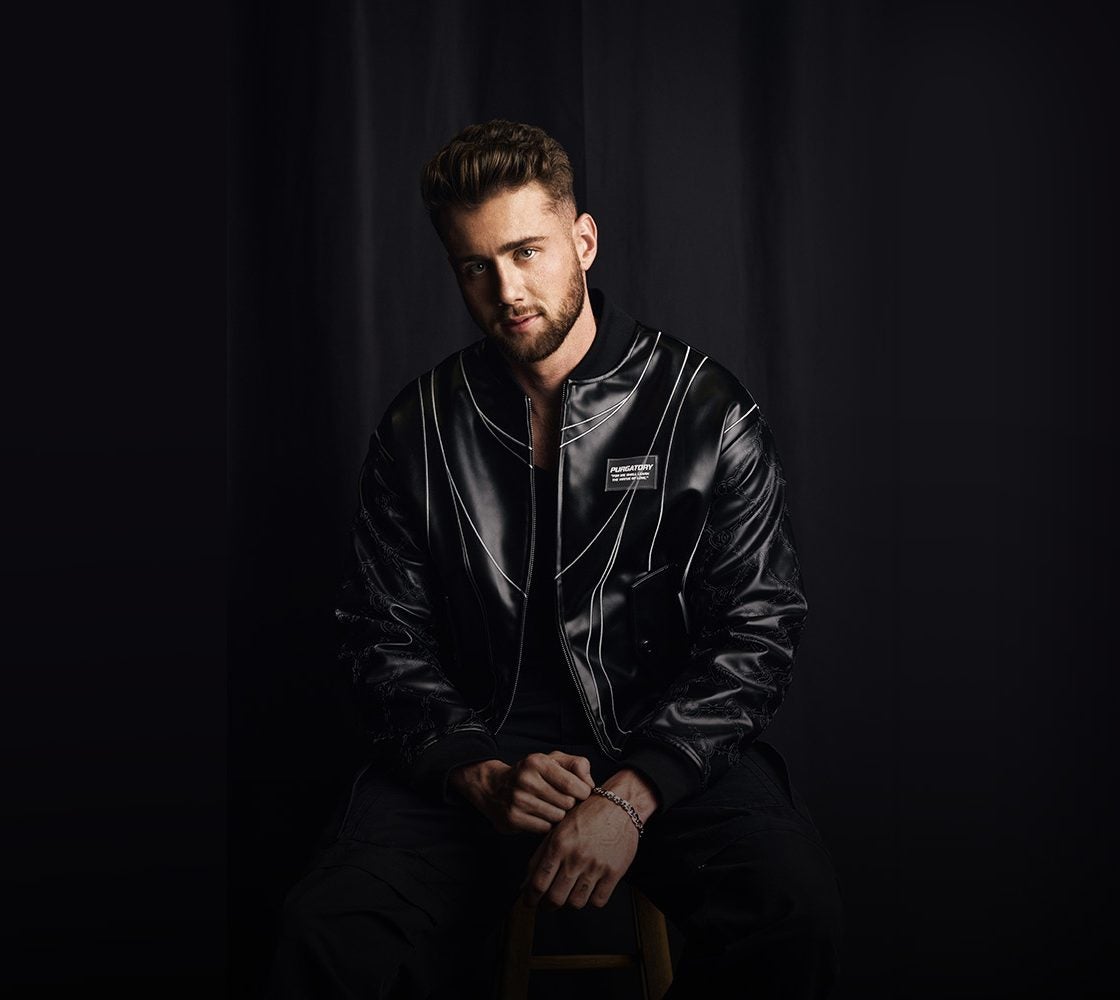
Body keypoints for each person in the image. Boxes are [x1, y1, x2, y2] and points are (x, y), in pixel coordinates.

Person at [270, 120, 843, 998]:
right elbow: (379, 635)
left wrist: (633, 794)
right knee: (324, 935)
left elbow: (758, 629)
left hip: (661, 742)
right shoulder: (419, 428)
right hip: (473, 744)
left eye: (526, 252)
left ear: (583, 241)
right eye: (475, 266)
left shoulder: (704, 410)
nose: (507, 291)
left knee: (793, 911)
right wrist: (476, 771)